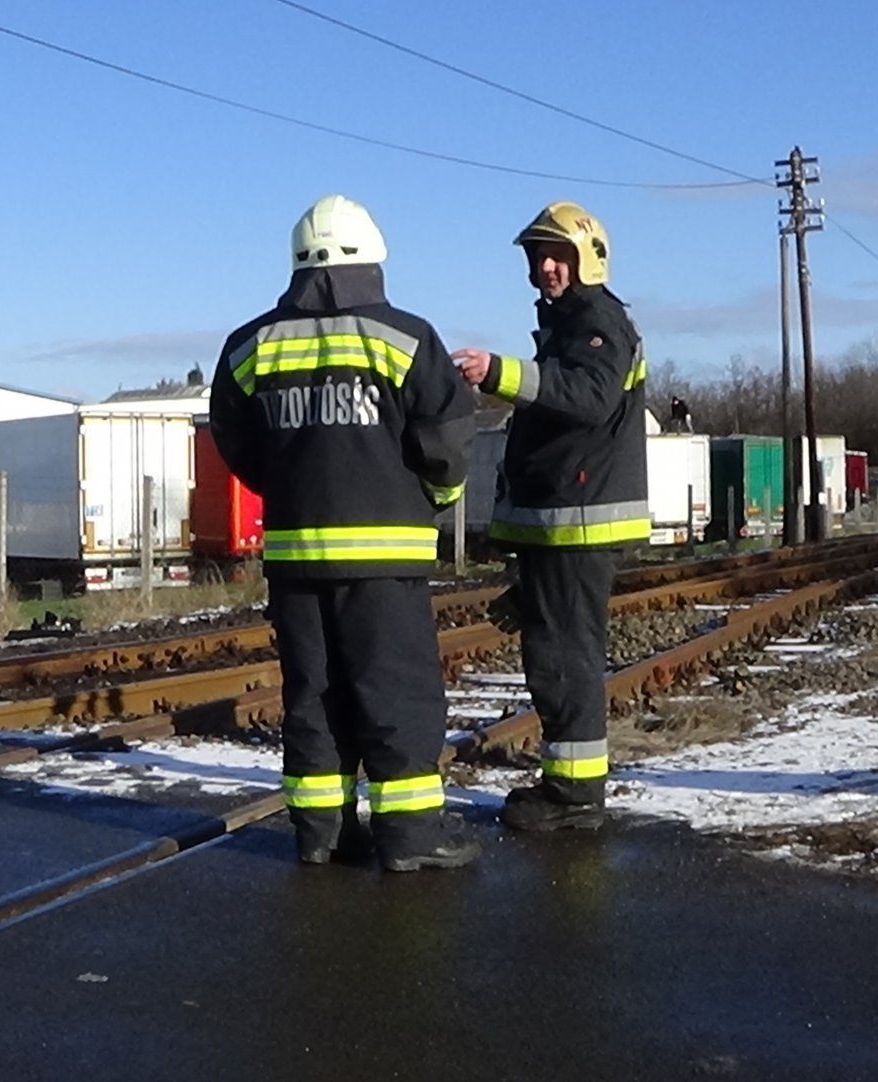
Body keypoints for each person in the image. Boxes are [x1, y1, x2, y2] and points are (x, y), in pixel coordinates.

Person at [209, 194, 479, 873]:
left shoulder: (249, 346)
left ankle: (320, 833)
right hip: (387, 558)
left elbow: (235, 440)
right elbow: (447, 438)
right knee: (395, 691)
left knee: (314, 695)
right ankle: (411, 836)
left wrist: (288, 485)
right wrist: (437, 496)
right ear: (374, 259)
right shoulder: (406, 338)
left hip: (296, 557)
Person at [451, 200, 649, 832]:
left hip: (577, 524)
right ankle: (568, 785)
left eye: (558, 256)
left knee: (565, 659)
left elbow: (588, 398)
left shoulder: (598, 322)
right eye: (539, 257)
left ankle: (574, 796)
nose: (546, 268)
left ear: (588, 259)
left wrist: (500, 374)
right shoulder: (570, 325)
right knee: (555, 655)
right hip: (562, 526)